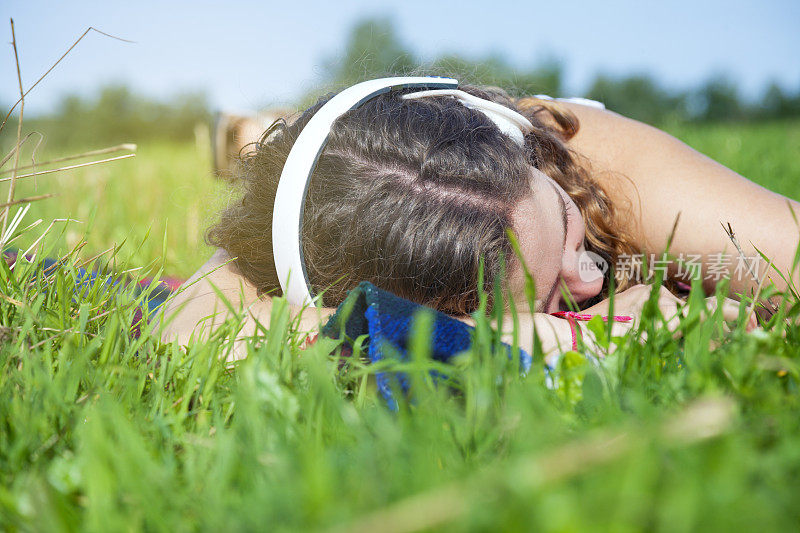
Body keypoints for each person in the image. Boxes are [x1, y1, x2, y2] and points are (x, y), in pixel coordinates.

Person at [159, 76, 795, 361]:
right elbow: (187, 330)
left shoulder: (588, 157)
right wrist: (573, 338)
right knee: (310, 167)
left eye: (570, 227)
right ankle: (264, 135)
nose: (590, 280)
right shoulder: (302, 236)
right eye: (548, 296)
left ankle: (258, 128)